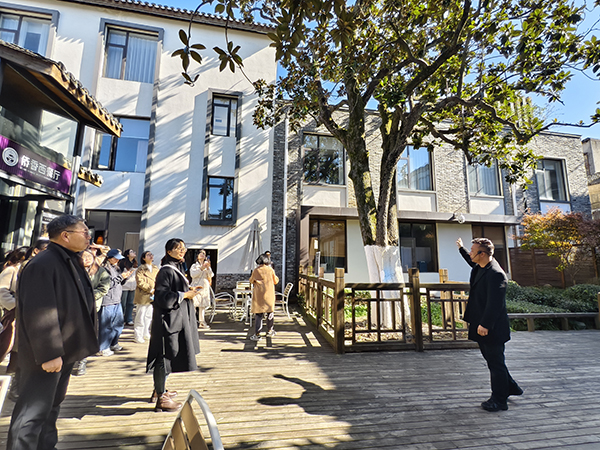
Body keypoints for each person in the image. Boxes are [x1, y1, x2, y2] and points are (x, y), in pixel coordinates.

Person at [7, 215, 98, 450]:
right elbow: (39, 312)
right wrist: (49, 353)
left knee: (51, 407)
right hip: (45, 355)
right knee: (32, 412)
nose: (89, 237)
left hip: (65, 350)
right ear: (65, 235)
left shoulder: (68, 260)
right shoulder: (43, 264)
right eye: (84, 232)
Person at [457, 237, 523, 412]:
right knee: (493, 361)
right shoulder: (480, 267)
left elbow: (495, 304)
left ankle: (499, 401)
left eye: (473, 251)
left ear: (482, 254)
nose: (470, 254)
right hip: (480, 323)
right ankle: (511, 387)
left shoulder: (496, 274)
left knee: (495, 363)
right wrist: (461, 249)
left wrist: (485, 324)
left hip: (492, 327)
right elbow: (470, 260)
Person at [147, 238, 200, 412]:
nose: (182, 251)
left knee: (170, 354)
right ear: (169, 252)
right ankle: (161, 398)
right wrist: (184, 295)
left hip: (176, 318)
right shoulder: (166, 270)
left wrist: (189, 291)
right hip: (167, 322)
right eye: (178, 248)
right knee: (164, 356)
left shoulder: (177, 268)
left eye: (184, 248)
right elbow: (162, 297)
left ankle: (159, 389)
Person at [72, 249, 111, 376]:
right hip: (73, 306)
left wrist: (88, 295)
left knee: (85, 335)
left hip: (91, 306)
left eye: (89, 256)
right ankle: (71, 359)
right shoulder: (73, 270)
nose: (87, 259)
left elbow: (104, 288)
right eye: (84, 257)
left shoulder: (101, 271)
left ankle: (81, 362)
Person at [98, 249, 131, 356]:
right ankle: (103, 347)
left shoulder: (116, 268)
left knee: (118, 324)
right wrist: (121, 277)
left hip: (117, 299)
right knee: (106, 325)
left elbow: (119, 282)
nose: (117, 260)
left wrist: (125, 277)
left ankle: (113, 343)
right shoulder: (104, 269)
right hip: (107, 300)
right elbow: (108, 284)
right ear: (110, 258)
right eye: (116, 258)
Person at [0, 246, 28, 363]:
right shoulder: (11, 270)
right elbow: (2, 291)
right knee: (6, 341)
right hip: (12, 311)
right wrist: (14, 305)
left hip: (20, 311)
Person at [249, 253, 279, 341]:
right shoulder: (270, 270)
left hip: (259, 295)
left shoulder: (256, 270)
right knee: (270, 313)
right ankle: (270, 331)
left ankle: (257, 334)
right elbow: (276, 281)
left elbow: (251, 280)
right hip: (269, 294)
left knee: (258, 315)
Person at [133, 251, 158, 344]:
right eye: (148, 255)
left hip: (153, 295)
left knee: (149, 315)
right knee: (140, 315)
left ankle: (145, 332)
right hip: (143, 295)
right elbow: (140, 282)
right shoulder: (141, 269)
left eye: (151, 254)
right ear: (143, 258)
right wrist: (150, 289)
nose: (151, 256)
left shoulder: (155, 268)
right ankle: (138, 335)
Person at [189, 250, 214, 330]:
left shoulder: (206, 265)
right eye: (200, 253)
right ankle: (192, 321)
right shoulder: (194, 265)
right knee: (194, 304)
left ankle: (202, 322)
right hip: (196, 285)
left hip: (204, 285)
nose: (202, 255)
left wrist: (208, 268)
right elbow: (193, 275)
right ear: (197, 256)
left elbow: (211, 275)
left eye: (204, 254)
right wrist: (201, 268)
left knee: (202, 305)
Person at [119, 249, 138, 326]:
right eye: (131, 252)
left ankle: (129, 319)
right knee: (123, 303)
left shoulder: (135, 263)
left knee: (130, 303)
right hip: (124, 286)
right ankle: (121, 319)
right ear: (127, 255)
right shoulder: (123, 263)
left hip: (133, 285)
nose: (134, 253)